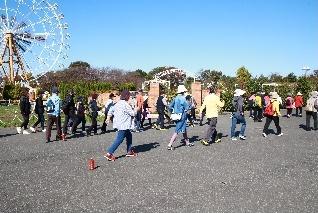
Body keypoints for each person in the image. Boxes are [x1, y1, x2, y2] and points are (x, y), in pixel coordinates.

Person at [104, 90, 138, 161]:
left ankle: (129, 151)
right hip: (124, 125)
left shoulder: (118, 103)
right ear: (127, 96)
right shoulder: (125, 104)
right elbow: (132, 113)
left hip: (119, 124)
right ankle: (109, 153)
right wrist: (136, 109)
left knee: (129, 135)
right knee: (119, 139)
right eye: (129, 96)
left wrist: (108, 118)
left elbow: (110, 110)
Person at [167, 85, 194, 150]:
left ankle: (187, 142)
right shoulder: (183, 99)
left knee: (184, 129)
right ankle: (170, 144)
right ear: (183, 92)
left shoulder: (175, 98)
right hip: (182, 116)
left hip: (176, 116)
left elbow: (170, 106)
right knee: (177, 130)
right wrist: (192, 106)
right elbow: (187, 108)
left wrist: (172, 113)